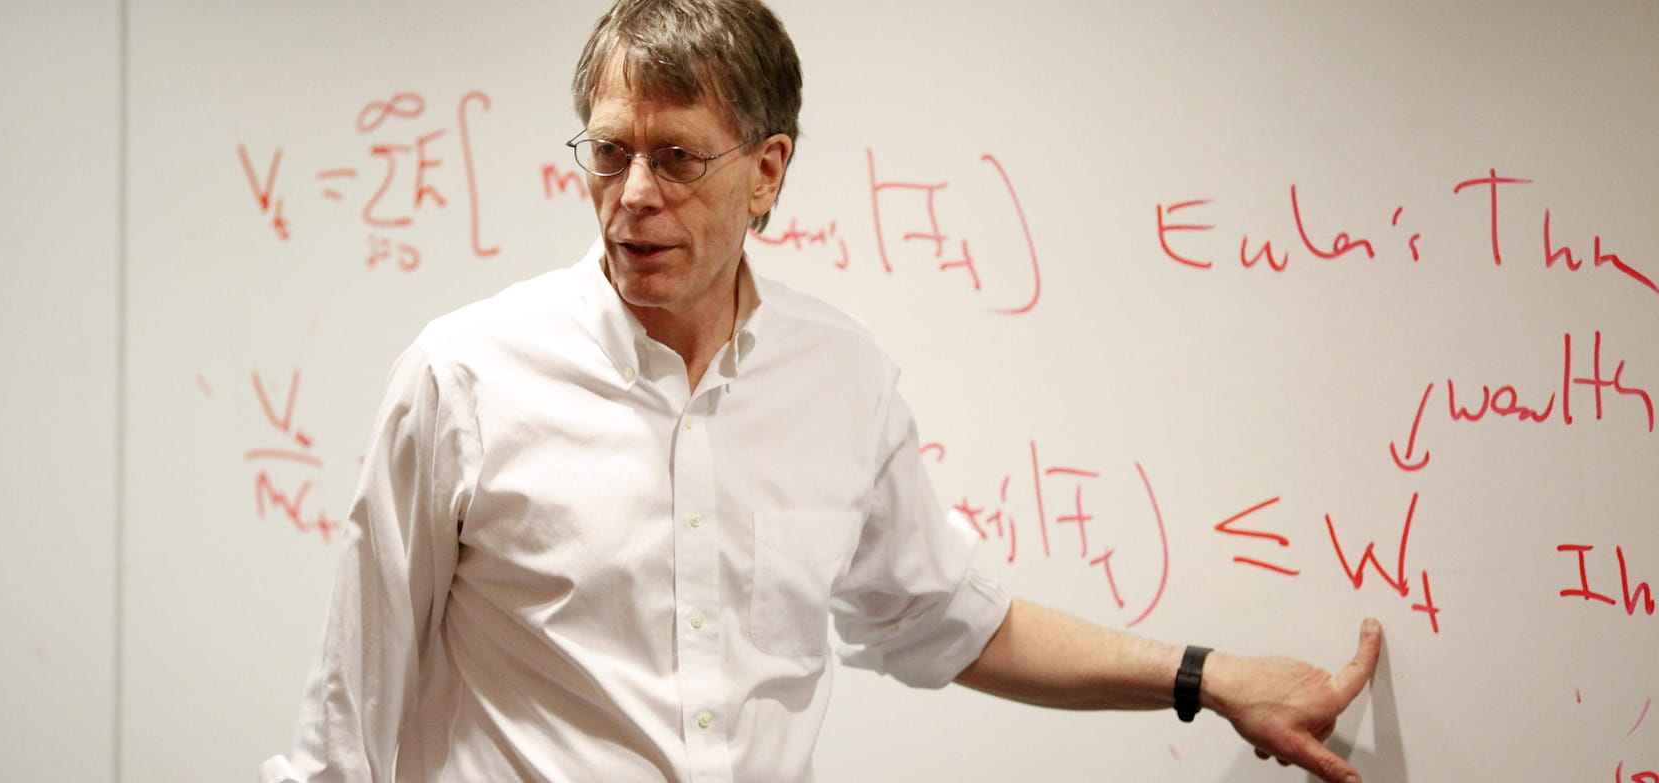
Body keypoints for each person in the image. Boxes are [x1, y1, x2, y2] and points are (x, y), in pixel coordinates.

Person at [260, 1, 1383, 781]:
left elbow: (948, 619)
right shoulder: (462, 377)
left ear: (767, 171)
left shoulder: (840, 378)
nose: (633, 194)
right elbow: (342, 728)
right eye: (607, 152)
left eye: (677, 156)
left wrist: (1205, 677)